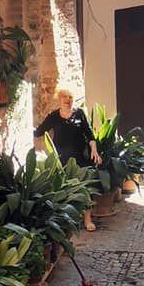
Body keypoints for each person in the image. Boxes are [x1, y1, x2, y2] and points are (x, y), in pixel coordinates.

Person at [34, 88, 102, 231]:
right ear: (59, 99)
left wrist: (94, 150)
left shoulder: (79, 113)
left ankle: (87, 219)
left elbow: (89, 134)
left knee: (85, 187)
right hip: (62, 159)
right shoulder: (54, 116)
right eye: (64, 97)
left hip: (80, 157)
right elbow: (39, 131)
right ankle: (68, 220)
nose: (67, 99)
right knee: (65, 189)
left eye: (70, 97)